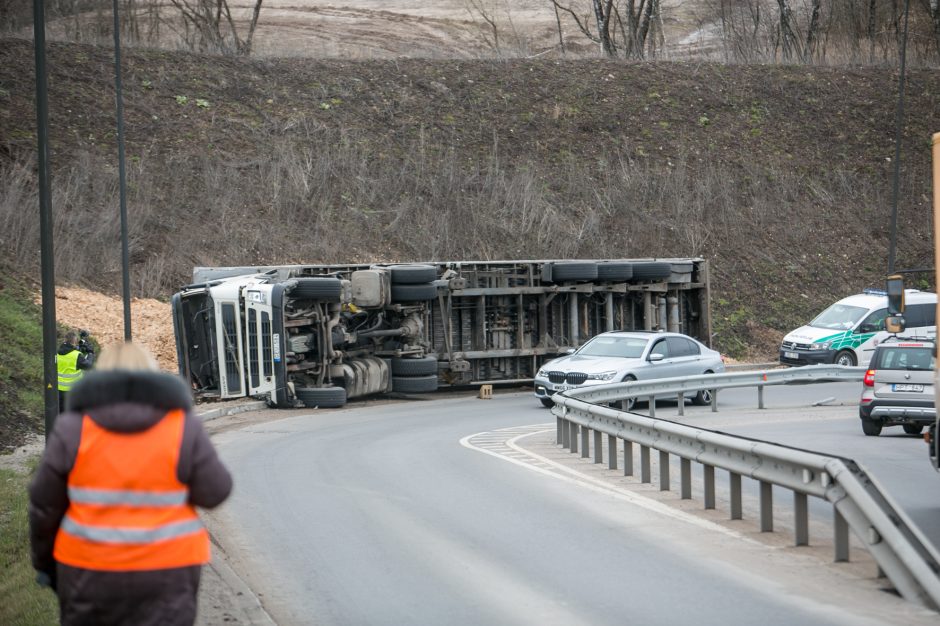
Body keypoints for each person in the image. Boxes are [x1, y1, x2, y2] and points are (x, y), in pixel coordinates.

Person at [29, 341, 233, 626]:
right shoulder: (182, 426)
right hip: (168, 571)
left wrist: (45, 565)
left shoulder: (72, 428)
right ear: (151, 375)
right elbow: (216, 491)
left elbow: (44, 508)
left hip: (88, 570)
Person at [56, 331, 95, 413]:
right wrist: (90, 353)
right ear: (75, 341)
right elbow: (88, 366)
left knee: (61, 414)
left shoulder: (58, 353)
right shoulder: (76, 355)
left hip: (58, 391)